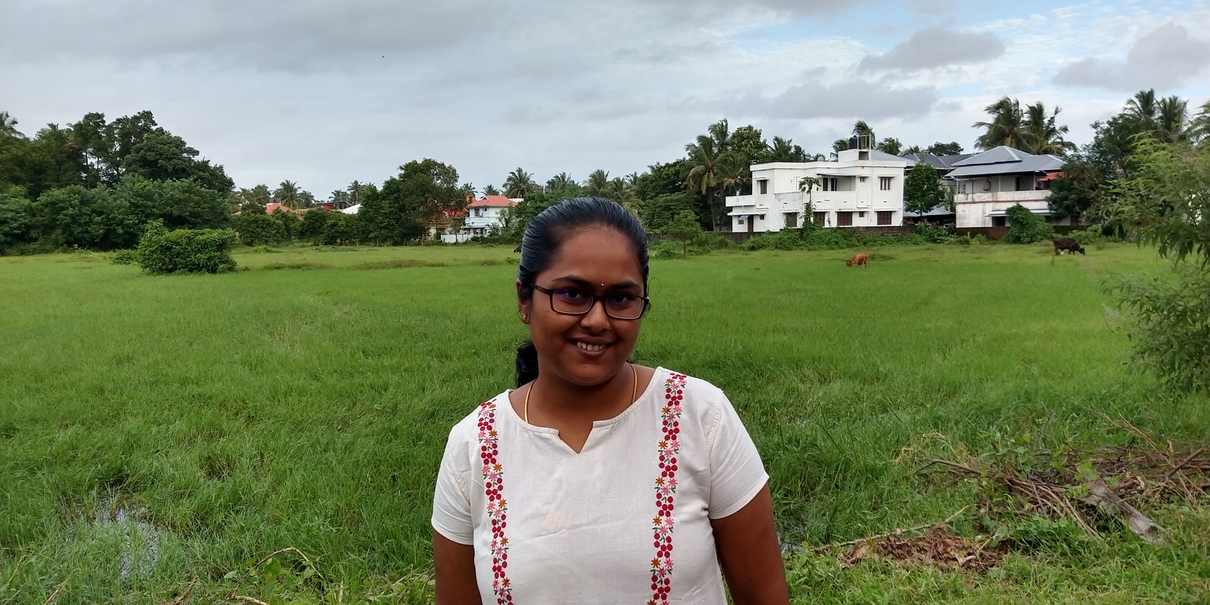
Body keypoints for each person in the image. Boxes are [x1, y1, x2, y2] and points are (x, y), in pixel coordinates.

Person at [432, 197, 788, 604]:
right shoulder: (474, 445)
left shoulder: (700, 417)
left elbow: (764, 595)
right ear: (524, 300)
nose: (597, 320)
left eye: (621, 298)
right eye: (571, 294)